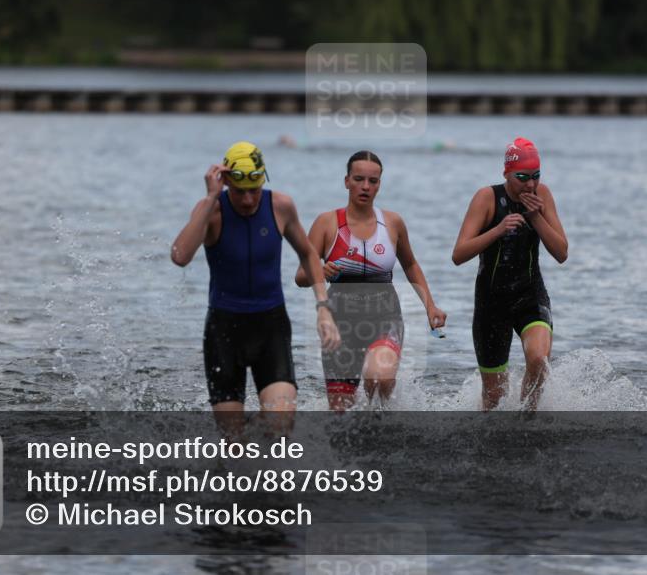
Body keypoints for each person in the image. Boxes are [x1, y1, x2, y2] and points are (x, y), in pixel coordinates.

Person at [171, 141, 340, 427]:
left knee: (281, 424)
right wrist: (212, 197)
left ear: (264, 180)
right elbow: (180, 256)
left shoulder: (280, 206)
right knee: (233, 441)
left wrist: (323, 308)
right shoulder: (210, 211)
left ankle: (260, 433)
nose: (248, 200)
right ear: (225, 182)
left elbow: (309, 254)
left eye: (254, 190)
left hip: (270, 326)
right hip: (223, 330)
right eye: (239, 192)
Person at [296, 151, 447, 411]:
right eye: (359, 179)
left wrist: (430, 305)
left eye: (373, 181)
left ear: (379, 184)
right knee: (340, 412)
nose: (366, 187)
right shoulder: (327, 223)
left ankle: (381, 428)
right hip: (339, 320)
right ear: (346, 181)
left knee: (381, 377)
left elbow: (410, 264)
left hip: (384, 314)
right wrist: (320, 272)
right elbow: (300, 276)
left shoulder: (392, 223)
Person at [451, 137, 568, 411]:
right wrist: (498, 230)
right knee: (493, 400)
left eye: (536, 176)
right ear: (507, 174)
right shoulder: (487, 198)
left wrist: (535, 217)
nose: (530, 184)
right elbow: (459, 254)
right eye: (523, 177)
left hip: (530, 295)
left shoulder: (543, 196)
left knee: (539, 359)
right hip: (491, 304)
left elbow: (562, 253)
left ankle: (527, 418)